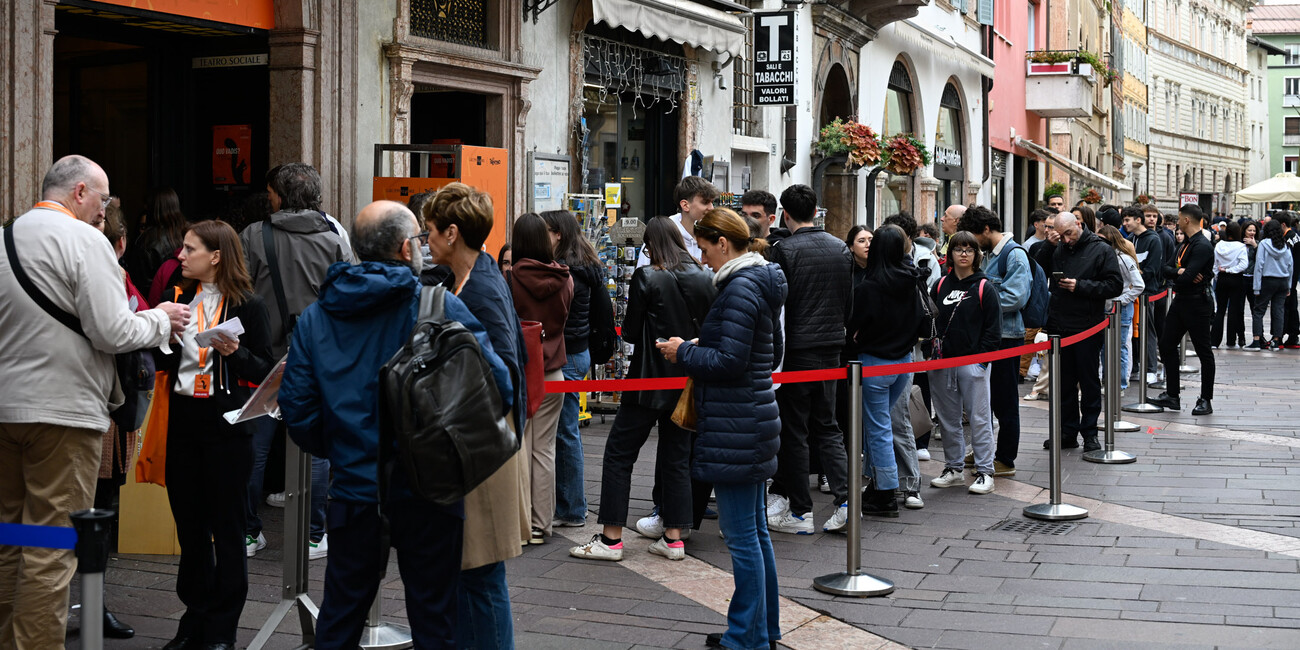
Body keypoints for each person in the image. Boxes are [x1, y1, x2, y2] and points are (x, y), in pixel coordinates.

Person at [280, 201, 508, 648]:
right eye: (420, 241)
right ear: (407, 249)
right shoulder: (438, 306)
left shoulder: (316, 317)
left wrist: (344, 446)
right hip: (430, 488)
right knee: (434, 619)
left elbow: (298, 410)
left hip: (353, 490)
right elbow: (498, 386)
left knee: (341, 615)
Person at [0, 155, 189, 649]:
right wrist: (163, 319)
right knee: (51, 541)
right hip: (62, 416)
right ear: (80, 192)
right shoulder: (84, 240)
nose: (105, 213)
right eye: (103, 201)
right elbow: (113, 329)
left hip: (5, 411)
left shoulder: (3, 237)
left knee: (8, 536)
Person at [657, 207, 786, 650]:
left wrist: (684, 353)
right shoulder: (757, 283)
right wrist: (701, 345)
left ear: (724, 245)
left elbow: (731, 362)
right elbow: (761, 354)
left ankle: (743, 638)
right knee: (754, 534)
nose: (702, 255)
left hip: (738, 424)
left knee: (742, 537)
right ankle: (760, 633)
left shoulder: (739, 289)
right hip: (751, 418)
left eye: (705, 246)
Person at [154, 220, 273, 650]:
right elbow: (160, 363)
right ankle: (194, 620)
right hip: (184, 421)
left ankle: (222, 631)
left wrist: (234, 352)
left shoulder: (248, 305)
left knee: (227, 529)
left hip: (227, 428)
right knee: (190, 529)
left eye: (190, 249)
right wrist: (162, 336)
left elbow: (266, 371)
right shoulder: (175, 298)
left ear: (216, 256)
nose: (180, 256)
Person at [569, 216, 715, 562]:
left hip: (648, 379)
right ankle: (674, 537)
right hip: (685, 379)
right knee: (676, 458)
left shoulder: (648, 275)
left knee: (619, 454)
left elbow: (632, 332)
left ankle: (611, 538)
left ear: (651, 245)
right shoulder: (704, 277)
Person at [421, 183, 528, 649]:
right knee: (472, 573)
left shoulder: (481, 288)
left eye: (429, 231)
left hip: (484, 447)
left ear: (451, 232)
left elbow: (503, 372)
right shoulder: (468, 278)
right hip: (477, 443)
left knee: (481, 575)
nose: (425, 241)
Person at [240, 162, 352, 560]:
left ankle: (249, 534)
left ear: (279, 195)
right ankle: (312, 534)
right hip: (318, 358)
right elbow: (347, 296)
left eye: (270, 192)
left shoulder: (254, 235)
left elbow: (240, 294)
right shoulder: (336, 236)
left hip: (263, 359)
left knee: (255, 449)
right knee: (316, 448)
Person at [763, 184, 852, 535]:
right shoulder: (840, 247)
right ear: (816, 211)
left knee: (796, 430)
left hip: (797, 350)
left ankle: (800, 512)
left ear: (785, 213)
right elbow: (848, 301)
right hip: (831, 346)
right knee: (827, 425)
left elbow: (778, 307)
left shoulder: (782, 250)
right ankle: (846, 500)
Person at [847, 225, 924, 517]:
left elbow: (854, 326)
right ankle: (878, 485)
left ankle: (886, 493)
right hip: (904, 361)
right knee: (880, 427)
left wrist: (856, 336)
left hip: (875, 363)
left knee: (878, 429)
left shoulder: (869, 286)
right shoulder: (911, 279)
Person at [1033, 213, 1123, 451]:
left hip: (1087, 326)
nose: (1065, 240)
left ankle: (1090, 433)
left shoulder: (1101, 249)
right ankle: (1067, 431)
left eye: (1068, 234)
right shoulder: (1057, 247)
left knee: (1089, 381)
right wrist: (1048, 244)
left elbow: (1115, 285)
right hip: (1060, 325)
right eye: (1060, 235)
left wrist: (1080, 285)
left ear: (1079, 226)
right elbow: (1037, 271)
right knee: (1063, 384)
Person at [542, 210, 609, 529]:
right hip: (578, 352)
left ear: (557, 234)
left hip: (565, 354)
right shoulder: (587, 265)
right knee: (563, 430)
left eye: (544, 231)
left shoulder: (564, 271)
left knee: (565, 431)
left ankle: (572, 508)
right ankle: (567, 504)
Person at [510, 213, 574, 545]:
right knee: (545, 449)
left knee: (520, 446)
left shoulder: (511, 277)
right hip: (554, 371)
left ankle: (521, 524)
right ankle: (541, 524)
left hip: (522, 370)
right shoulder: (566, 278)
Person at [927, 231, 1002, 495]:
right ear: (951, 253)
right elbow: (929, 321)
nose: (963, 254)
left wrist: (981, 362)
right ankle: (954, 468)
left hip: (973, 363)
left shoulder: (984, 287)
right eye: (958, 249)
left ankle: (985, 471)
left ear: (976, 255)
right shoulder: (939, 286)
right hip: (942, 362)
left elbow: (994, 329)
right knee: (947, 420)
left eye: (969, 249)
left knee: (980, 419)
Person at [960, 205, 1030, 477]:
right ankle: (983, 450)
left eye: (974, 236)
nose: (971, 244)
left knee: (1005, 400)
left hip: (1007, 337)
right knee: (983, 400)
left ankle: (1005, 458)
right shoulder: (989, 255)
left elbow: (1015, 297)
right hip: (988, 336)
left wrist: (978, 304)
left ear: (986, 230)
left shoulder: (1014, 256)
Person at [1148, 205, 1217, 415]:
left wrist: (1180, 274)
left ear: (1187, 220)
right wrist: (1180, 271)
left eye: (1179, 219)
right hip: (1181, 301)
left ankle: (1205, 399)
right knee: (1166, 345)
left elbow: (1186, 277)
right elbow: (1165, 269)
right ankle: (1172, 395)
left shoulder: (1202, 246)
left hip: (1198, 303)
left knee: (1204, 351)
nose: (1177, 222)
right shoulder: (1185, 243)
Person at [1097, 225, 1144, 392]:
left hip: (1121, 308)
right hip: (1104, 307)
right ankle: (1107, 381)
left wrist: (1121, 300)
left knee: (1120, 346)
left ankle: (1120, 384)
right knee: (1104, 346)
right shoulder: (1101, 256)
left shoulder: (1124, 259)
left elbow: (1139, 285)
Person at [636, 176, 718, 266]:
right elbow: (644, 274)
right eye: (705, 202)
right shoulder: (660, 235)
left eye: (712, 202)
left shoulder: (710, 234)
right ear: (685, 205)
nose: (711, 208)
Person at [1124, 206, 1166, 383]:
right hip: (1132, 293)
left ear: (1137, 220)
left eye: (1127, 220)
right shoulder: (1131, 238)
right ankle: (1135, 366)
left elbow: (1152, 269)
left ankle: (1150, 368)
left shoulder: (1153, 240)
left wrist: (1135, 277)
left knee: (1146, 329)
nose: (1124, 223)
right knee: (1133, 332)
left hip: (1146, 292)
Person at [125, 187, 188, 298]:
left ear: (151, 209)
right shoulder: (188, 233)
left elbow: (140, 285)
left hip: (156, 303)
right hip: (183, 297)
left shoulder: (146, 242)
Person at [1247, 219, 1294, 351]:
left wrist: (1256, 286)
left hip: (1268, 280)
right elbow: (1290, 266)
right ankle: (1276, 341)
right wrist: (1289, 286)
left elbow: (1259, 266)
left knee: (1258, 310)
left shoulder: (1263, 244)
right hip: (1283, 281)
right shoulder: (1285, 245)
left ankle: (1256, 341)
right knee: (1278, 310)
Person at [1210, 221, 1249, 349]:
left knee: (1220, 309)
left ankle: (1214, 341)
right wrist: (1231, 270)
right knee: (1233, 309)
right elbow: (1244, 264)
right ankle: (1231, 340)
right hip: (1236, 278)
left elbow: (1215, 264)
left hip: (1221, 278)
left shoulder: (1219, 245)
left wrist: (1218, 274)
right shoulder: (1241, 246)